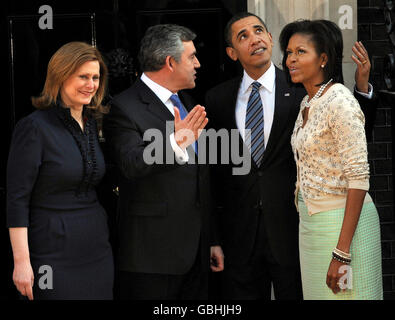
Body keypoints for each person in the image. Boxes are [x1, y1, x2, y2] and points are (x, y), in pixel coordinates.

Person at [205, 12, 377, 300]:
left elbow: (354, 147)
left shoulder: (303, 88)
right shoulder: (217, 99)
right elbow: (213, 173)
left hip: (296, 231)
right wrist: (213, 238)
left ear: (269, 38)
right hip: (240, 238)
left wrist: (362, 89)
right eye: (243, 36)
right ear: (232, 53)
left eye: (259, 30)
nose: (254, 38)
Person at [103, 24, 222, 300]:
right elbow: (131, 162)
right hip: (152, 257)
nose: (198, 64)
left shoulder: (187, 102)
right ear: (170, 62)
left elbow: (200, 178)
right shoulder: (123, 107)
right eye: (192, 57)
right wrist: (175, 142)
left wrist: (212, 239)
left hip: (197, 254)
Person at [279, 19, 382, 300]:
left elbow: (359, 178)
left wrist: (342, 253)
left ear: (323, 58)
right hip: (312, 227)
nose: (291, 59)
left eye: (301, 52)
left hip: (343, 229)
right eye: (289, 52)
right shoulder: (307, 102)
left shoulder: (341, 101)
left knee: (348, 296)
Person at [6, 42, 114, 300]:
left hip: (96, 248)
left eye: (96, 77)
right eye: (83, 77)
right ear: (61, 76)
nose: (91, 84)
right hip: (51, 249)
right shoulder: (34, 127)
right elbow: (17, 199)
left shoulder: (92, 124)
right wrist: (21, 262)